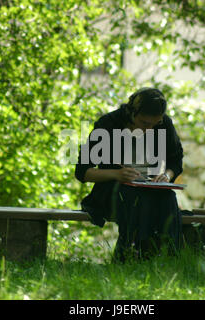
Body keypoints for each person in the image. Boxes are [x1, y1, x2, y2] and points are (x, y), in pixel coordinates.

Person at [75, 87, 184, 262]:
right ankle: (128, 257)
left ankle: (169, 258)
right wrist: (117, 174)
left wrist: (167, 176)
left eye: (154, 125)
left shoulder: (164, 124)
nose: (149, 129)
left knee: (168, 198)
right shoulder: (108, 124)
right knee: (134, 199)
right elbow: (82, 172)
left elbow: (176, 161)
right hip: (112, 188)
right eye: (144, 123)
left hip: (149, 187)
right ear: (132, 112)